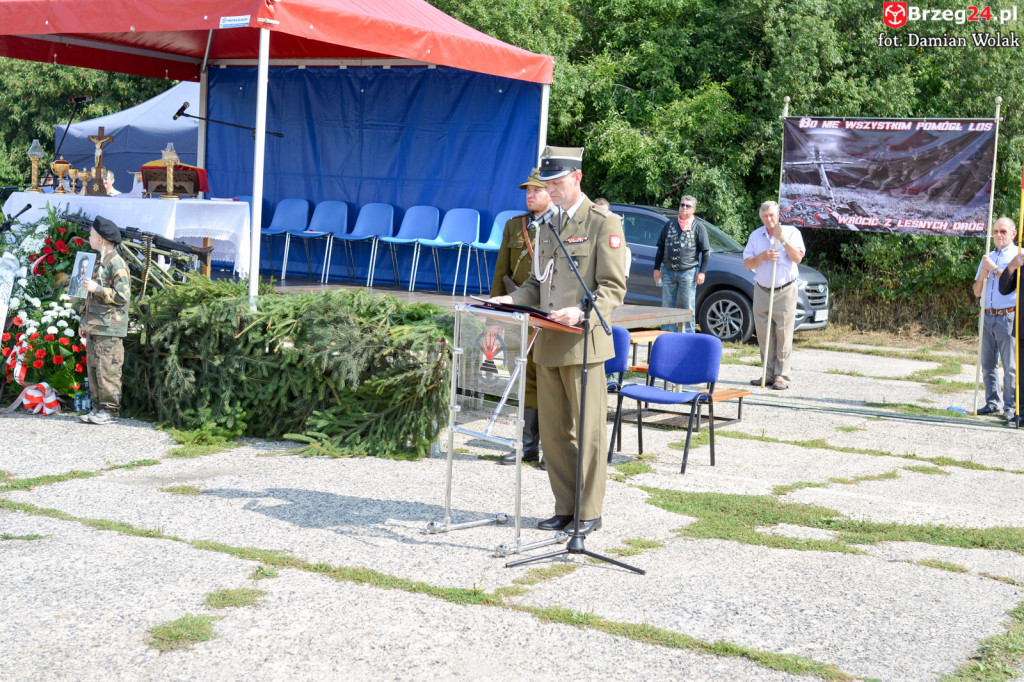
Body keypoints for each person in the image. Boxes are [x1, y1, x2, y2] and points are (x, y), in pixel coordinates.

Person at [490, 146, 627, 536]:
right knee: (552, 435)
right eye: (546, 183)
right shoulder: (546, 225)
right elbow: (537, 283)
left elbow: (613, 288)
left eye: (556, 182)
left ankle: (589, 511)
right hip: (548, 343)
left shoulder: (603, 223)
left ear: (577, 179)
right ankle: (565, 506)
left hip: (583, 344)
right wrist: (509, 300)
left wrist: (582, 311)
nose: (549, 189)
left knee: (588, 432)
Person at [490, 168, 552, 469]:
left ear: (551, 193)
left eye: (536, 190)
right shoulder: (515, 226)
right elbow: (502, 271)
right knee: (525, 379)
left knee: (549, 380)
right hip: (519, 312)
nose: (530, 195)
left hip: (550, 315)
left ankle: (552, 451)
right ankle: (527, 447)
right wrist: (495, 313)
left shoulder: (560, 226)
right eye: (527, 190)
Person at [743, 200, 805, 390]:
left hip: (785, 290)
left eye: (771, 215)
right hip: (762, 290)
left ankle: (782, 376)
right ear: (761, 217)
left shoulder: (792, 232)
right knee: (764, 334)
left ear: (778, 215)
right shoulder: (755, 235)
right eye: (765, 216)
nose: (768, 219)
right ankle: (767, 374)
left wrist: (783, 239)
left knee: (784, 335)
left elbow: (798, 258)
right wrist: (762, 257)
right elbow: (747, 263)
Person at [77, 216, 131, 425]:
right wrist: (83, 321)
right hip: (95, 325)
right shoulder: (98, 261)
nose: (89, 237)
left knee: (108, 370)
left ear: (101, 239)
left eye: (91, 234)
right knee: (94, 369)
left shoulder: (116, 263)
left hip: (110, 327)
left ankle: (110, 411)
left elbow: (122, 296)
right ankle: (97, 407)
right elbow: (88, 297)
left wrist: (97, 289)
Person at [973, 217, 1018, 419]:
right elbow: (976, 292)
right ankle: (992, 402)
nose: (999, 235)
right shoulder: (988, 256)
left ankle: (1011, 406)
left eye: (1003, 232)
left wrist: (994, 268)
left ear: (1013, 234)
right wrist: (983, 274)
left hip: (1007, 316)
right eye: (996, 231)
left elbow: (1012, 285)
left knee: (1010, 366)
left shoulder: (1019, 256)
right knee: (988, 364)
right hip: (987, 315)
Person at [653, 195, 711, 332]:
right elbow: (661, 248)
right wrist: (656, 269)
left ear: (693, 210)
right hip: (668, 271)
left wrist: (702, 272)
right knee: (667, 306)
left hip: (688, 272)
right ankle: (667, 335)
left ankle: (688, 337)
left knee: (688, 307)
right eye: (682, 205)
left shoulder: (698, 227)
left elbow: (706, 251)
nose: (684, 207)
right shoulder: (669, 224)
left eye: (688, 206)